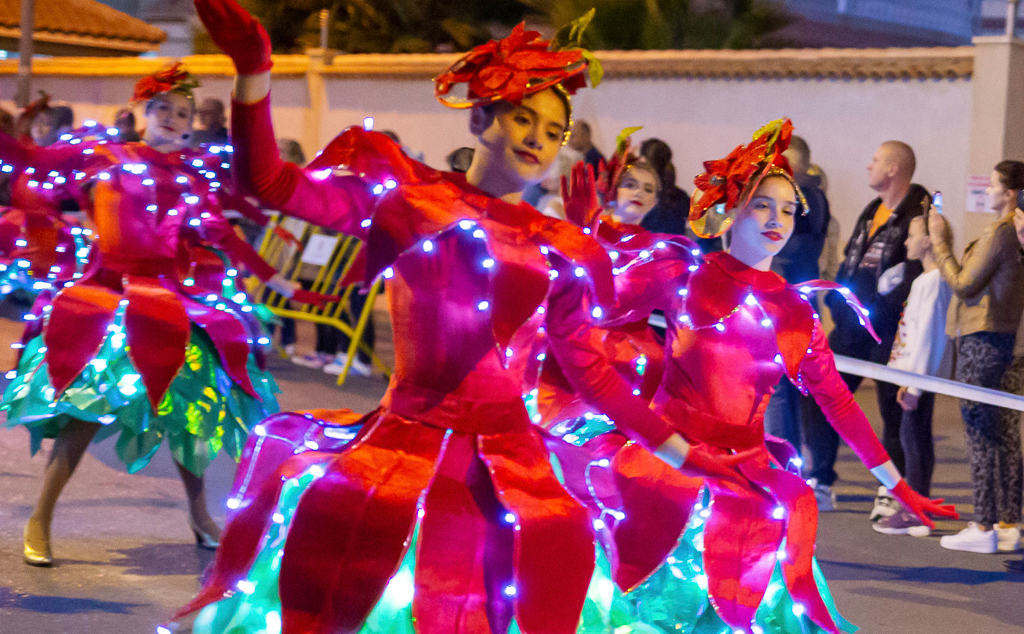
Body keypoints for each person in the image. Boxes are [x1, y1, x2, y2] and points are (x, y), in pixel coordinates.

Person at [174, 5, 738, 634]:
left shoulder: (559, 244)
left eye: (553, 132)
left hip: (511, 460)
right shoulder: (411, 197)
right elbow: (272, 185)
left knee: (554, 544)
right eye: (523, 117)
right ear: (478, 117)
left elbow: (590, 371)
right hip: (404, 442)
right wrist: (254, 72)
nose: (537, 140)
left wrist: (685, 455)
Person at [545, 119, 957, 634]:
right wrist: (583, 238)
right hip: (667, 464)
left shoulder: (795, 311)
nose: (776, 218)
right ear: (729, 211)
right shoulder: (682, 273)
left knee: (743, 611)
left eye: (787, 209)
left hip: (749, 481)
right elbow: (594, 309)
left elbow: (839, 403)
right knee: (645, 611)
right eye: (762, 204)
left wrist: (897, 484)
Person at [0, 63, 313, 567]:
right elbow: (29, 156)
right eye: (161, 107)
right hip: (106, 299)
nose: (171, 118)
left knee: (189, 413)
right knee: (83, 411)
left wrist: (280, 283)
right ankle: (41, 516)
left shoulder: (194, 172)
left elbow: (222, 235)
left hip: (170, 301)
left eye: (182, 111)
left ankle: (198, 516)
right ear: (141, 112)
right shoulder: (102, 155)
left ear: (192, 122)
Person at [802, 140, 929, 513]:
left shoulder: (917, 215)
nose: (868, 166)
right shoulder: (872, 210)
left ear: (893, 169)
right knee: (820, 394)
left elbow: (911, 274)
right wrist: (839, 305)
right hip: (849, 329)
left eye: (875, 161)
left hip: (887, 331)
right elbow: (849, 261)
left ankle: (890, 489)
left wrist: (880, 310)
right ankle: (821, 480)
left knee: (893, 410)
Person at [928, 160, 1024, 554]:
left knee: (980, 433)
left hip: (983, 337)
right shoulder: (1013, 234)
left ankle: (984, 523)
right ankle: (1006, 521)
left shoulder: (1000, 233)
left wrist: (940, 242)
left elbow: (965, 284)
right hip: (1001, 338)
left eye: (993, 185)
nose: (986, 191)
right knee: (1000, 434)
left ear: (1010, 193)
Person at [872, 215, 951, 537]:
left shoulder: (931, 281)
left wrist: (914, 383)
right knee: (915, 437)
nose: (906, 242)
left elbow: (927, 336)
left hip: (919, 376)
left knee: (912, 439)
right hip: (918, 375)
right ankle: (920, 503)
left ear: (929, 240)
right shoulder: (930, 280)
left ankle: (915, 509)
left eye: (912, 236)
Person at [763, 135, 831, 453]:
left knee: (778, 386)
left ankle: (782, 460)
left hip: (787, 296)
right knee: (787, 387)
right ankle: (788, 460)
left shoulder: (805, 197)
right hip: (795, 295)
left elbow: (790, 250)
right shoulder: (812, 196)